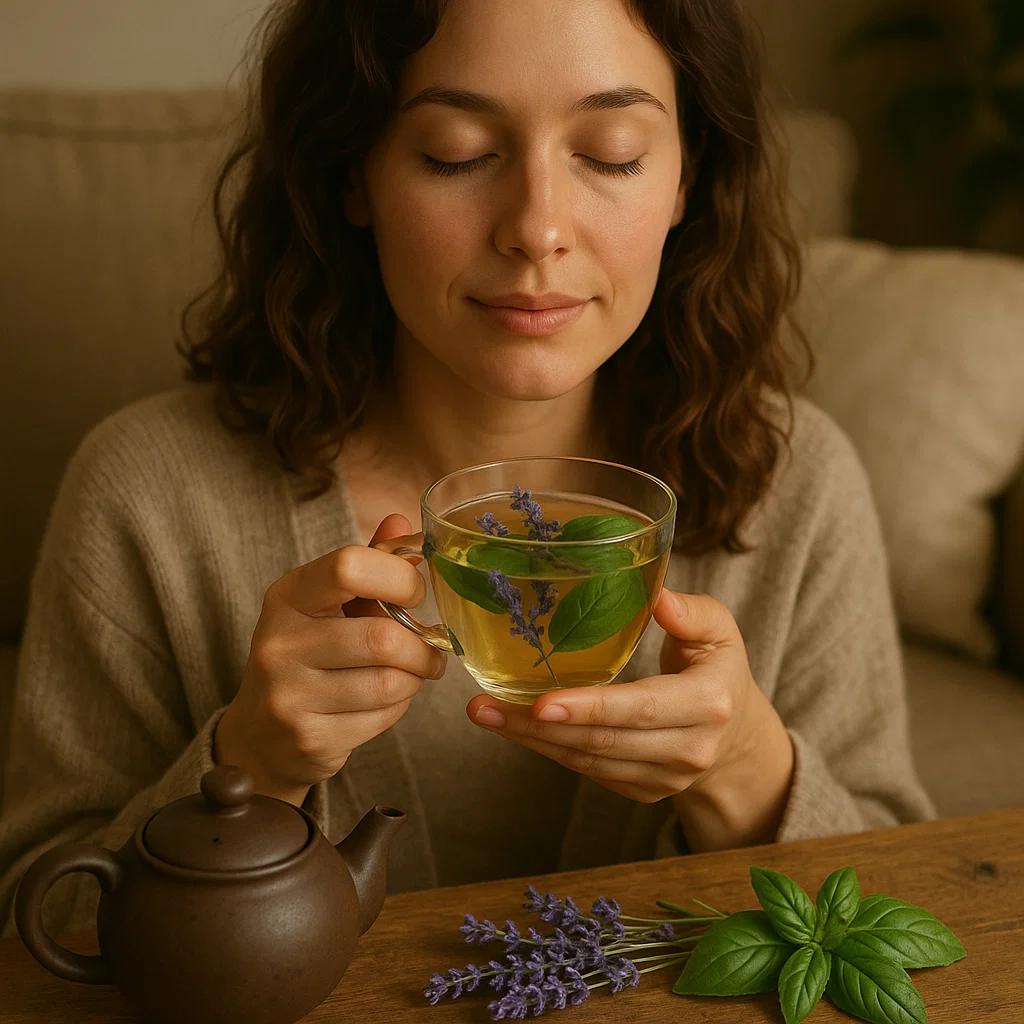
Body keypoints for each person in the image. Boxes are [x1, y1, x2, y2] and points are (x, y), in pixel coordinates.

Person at [0, 0, 936, 937]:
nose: (538, 228)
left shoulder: (795, 475)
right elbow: (40, 935)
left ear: (689, 177)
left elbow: (913, 919)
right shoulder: (147, 490)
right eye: (455, 152)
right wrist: (252, 763)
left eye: (611, 152)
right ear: (351, 174)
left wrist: (743, 765)